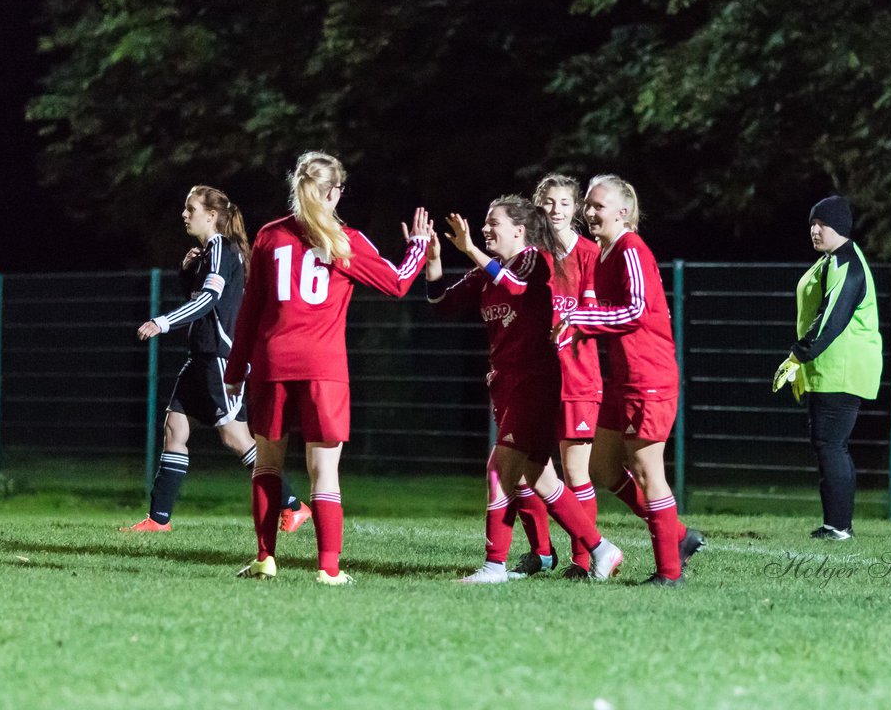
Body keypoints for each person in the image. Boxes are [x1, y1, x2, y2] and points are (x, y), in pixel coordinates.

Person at [223, 151, 432, 582]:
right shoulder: (345, 240)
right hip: (324, 368)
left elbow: (249, 310)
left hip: (272, 363)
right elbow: (397, 282)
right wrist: (418, 246)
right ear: (335, 191)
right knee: (325, 472)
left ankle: (266, 558)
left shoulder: (270, 236)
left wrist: (234, 369)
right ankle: (328, 569)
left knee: (267, 464)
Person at [425, 195, 624, 584]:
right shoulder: (488, 272)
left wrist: (469, 250)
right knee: (537, 477)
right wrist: (433, 264)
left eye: (492, 222)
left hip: (534, 380)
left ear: (519, 230)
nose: (484, 230)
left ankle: (494, 565)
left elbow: (516, 287)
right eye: (484, 223)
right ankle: (602, 549)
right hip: (506, 381)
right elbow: (441, 305)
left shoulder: (534, 259)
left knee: (499, 470)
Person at [121, 185, 308, 533]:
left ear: (211, 215)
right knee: (175, 429)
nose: (184, 214)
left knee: (236, 438)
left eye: (190, 208)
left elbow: (209, 300)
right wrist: (184, 273)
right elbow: (205, 301)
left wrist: (162, 322)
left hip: (220, 358)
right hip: (201, 357)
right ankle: (158, 520)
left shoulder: (221, 246)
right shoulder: (209, 252)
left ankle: (292, 504)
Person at [555, 174, 705, 586]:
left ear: (623, 212)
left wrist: (581, 320)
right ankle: (678, 536)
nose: (588, 212)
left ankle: (669, 573)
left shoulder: (631, 250)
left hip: (649, 378)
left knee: (646, 469)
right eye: (587, 205)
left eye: (596, 206)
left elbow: (636, 311)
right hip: (624, 379)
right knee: (603, 464)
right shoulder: (604, 255)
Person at [503, 174, 604, 580]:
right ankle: (540, 551)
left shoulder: (590, 254)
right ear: (537, 206)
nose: (557, 209)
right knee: (523, 466)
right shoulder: (531, 257)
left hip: (577, 375)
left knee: (574, 471)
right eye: (549, 202)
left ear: (576, 208)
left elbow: (600, 314)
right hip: (535, 375)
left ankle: (586, 559)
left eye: (565, 202)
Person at [772, 195, 882, 540]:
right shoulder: (832, 260)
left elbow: (831, 319)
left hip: (843, 368)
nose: (814, 230)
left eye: (821, 223)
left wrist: (798, 356)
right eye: (812, 224)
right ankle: (838, 524)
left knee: (831, 445)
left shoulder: (846, 263)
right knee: (831, 445)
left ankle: (838, 527)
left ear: (839, 226)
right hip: (830, 368)